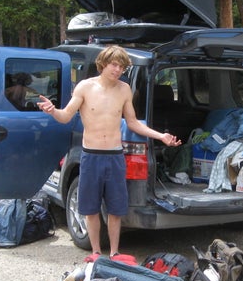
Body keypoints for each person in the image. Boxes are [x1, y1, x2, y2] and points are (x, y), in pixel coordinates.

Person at [37, 45, 181, 260]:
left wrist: (160, 136)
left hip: (115, 156)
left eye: (122, 67)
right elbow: (66, 116)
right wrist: (52, 111)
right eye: (114, 65)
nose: (118, 70)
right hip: (91, 155)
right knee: (90, 208)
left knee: (116, 209)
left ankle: (114, 252)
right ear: (103, 63)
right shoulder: (85, 87)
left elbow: (132, 123)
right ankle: (95, 252)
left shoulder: (124, 89)